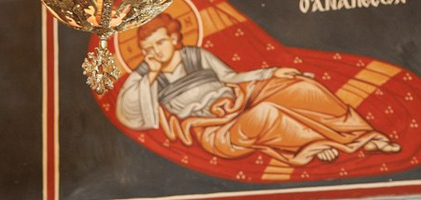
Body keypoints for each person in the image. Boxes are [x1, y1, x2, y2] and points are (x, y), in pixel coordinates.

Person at [113, 12, 398, 168]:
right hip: (217, 131)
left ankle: (366, 135)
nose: (154, 52)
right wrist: (147, 73)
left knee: (302, 88)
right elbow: (130, 115)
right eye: (147, 49)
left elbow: (231, 77)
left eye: (159, 43)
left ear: (175, 39)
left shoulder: (196, 55)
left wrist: (272, 73)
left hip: (239, 101)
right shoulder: (147, 80)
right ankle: (319, 144)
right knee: (265, 113)